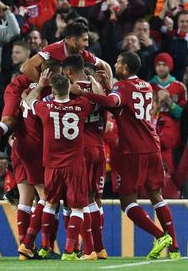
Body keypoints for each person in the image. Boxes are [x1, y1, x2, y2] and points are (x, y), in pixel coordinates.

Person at [70, 51, 180, 260]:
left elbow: (112, 103)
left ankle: (160, 236)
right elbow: (124, 102)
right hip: (153, 147)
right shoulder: (146, 85)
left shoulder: (122, 87)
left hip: (133, 151)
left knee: (127, 203)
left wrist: (83, 93)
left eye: (118, 63)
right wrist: (108, 84)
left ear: (126, 68)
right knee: (157, 196)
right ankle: (174, 247)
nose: (115, 65)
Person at [18, 72, 93, 261]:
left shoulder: (44, 107)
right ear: (69, 88)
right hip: (75, 165)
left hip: (51, 165)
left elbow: (28, 100)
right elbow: (96, 99)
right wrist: (85, 87)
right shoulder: (82, 105)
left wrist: (40, 84)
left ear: (52, 90)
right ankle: (69, 251)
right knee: (77, 208)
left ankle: (44, 246)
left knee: (49, 205)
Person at [0, 60, 60, 167]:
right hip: (21, 87)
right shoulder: (54, 50)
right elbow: (24, 68)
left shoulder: (62, 79)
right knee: (8, 121)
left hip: (39, 88)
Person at [62, 55, 107, 259]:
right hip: (99, 145)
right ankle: (100, 248)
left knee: (81, 201)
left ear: (69, 71)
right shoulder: (96, 86)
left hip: (80, 147)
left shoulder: (70, 89)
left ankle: (89, 250)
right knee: (96, 199)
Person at [21, 22, 112, 82]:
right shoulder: (53, 50)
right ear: (72, 40)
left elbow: (105, 65)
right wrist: (46, 85)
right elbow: (25, 68)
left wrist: (109, 85)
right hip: (24, 86)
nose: (87, 44)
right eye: (84, 40)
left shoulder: (80, 53)